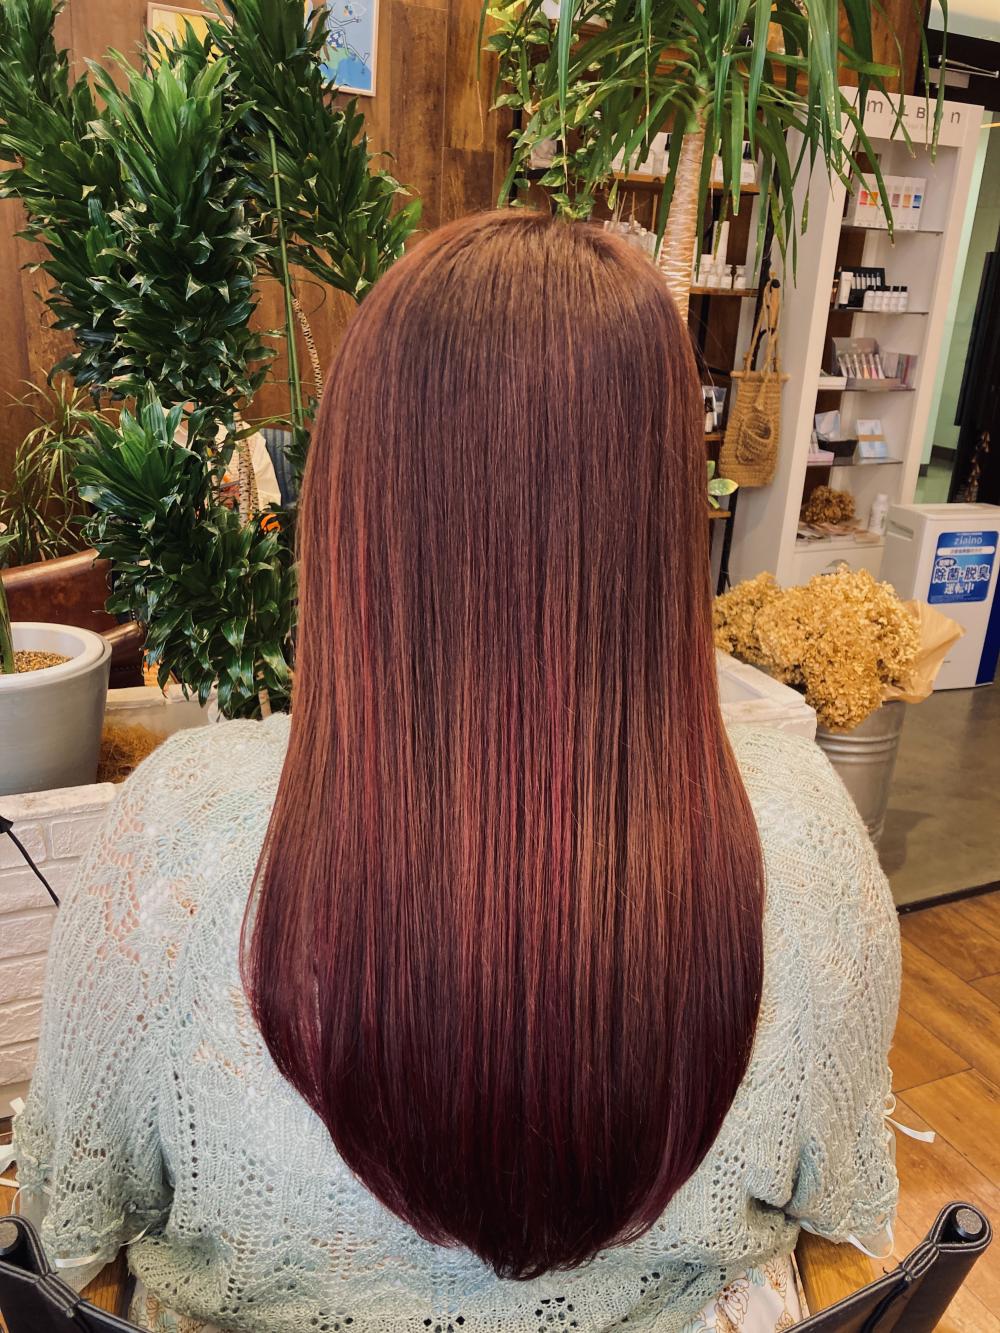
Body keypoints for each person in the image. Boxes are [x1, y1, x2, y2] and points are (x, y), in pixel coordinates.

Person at [12, 212, 900, 1333]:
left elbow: (68, 1226)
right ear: (663, 510)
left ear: (354, 500)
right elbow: (838, 1204)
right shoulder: (805, 837)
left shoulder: (176, 834)